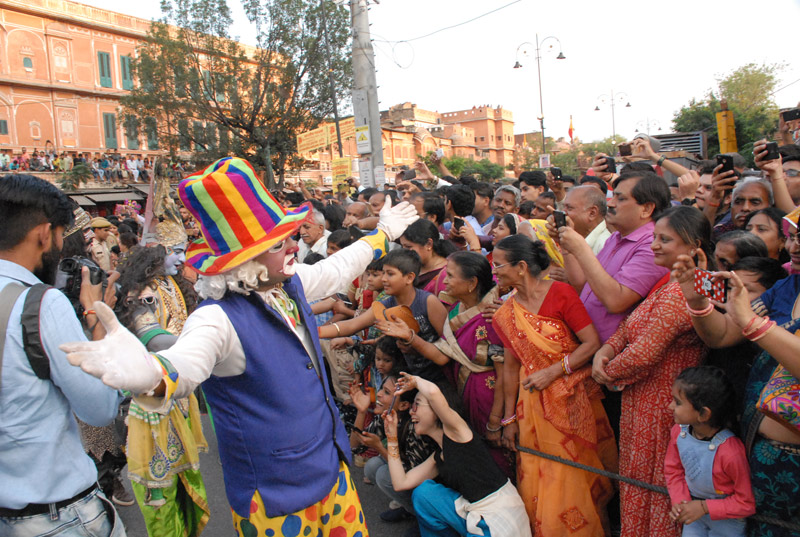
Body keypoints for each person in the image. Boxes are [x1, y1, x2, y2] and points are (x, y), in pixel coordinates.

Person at [62, 157, 419, 536]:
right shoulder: (216, 318)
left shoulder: (286, 284)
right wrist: (150, 375)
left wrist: (383, 236)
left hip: (332, 475)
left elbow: (337, 268)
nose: (293, 245)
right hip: (276, 499)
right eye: (280, 241)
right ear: (246, 259)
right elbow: (184, 364)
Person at [0, 174, 125, 536]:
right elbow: (99, 408)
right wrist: (97, 317)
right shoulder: (39, 304)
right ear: (44, 232)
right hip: (55, 516)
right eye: (61, 234)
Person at [592, 206, 714, 537]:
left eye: (665, 239)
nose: (655, 245)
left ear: (693, 247)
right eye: (655, 237)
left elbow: (644, 353)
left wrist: (604, 372)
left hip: (665, 409)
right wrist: (605, 350)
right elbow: (630, 329)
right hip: (642, 405)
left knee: (657, 487)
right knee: (638, 483)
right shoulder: (667, 282)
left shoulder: (684, 292)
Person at [673, 227, 800, 537]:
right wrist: (698, 301)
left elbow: (749, 324)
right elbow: (724, 333)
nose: (795, 245)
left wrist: (753, 323)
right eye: (795, 235)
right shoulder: (786, 288)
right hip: (759, 449)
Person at [489, 234, 615, 536]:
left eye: (498, 266)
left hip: (572, 398)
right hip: (530, 408)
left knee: (572, 475)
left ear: (521, 267)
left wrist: (554, 372)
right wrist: (508, 420)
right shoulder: (505, 313)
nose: (494, 273)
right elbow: (510, 368)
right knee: (539, 476)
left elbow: (591, 343)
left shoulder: (561, 293)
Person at [377, 251, 513, 478]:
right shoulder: (454, 308)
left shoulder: (493, 315)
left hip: (486, 394)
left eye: (450, 276)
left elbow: (505, 372)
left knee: (491, 453)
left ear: (471, 283)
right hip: (462, 386)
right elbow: (442, 353)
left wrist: (496, 419)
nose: (444, 281)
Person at [384, 373, 532, 537]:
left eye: (417, 404)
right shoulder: (438, 455)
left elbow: (433, 393)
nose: (412, 411)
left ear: (437, 410)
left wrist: (415, 381)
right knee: (424, 494)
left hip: (500, 519)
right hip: (477, 514)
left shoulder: (458, 432)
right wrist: (391, 439)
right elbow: (400, 482)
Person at [319, 249, 449, 383]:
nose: (384, 279)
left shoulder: (427, 302)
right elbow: (352, 325)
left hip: (437, 379)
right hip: (408, 377)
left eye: (390, 274)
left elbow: (446, 349)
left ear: (409, 278)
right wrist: (316, 331)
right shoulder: (385, 304)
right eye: (384, 273)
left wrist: (413, 342)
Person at [664, 367, 756, 537]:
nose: (670, 406)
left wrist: (704, 508)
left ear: (704, 414)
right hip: (694, 514)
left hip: (727, 523)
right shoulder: (679, 433)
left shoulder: (730, 452)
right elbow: (673, 470)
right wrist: (681, 502)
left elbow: (746, 503)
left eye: (677, 402)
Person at [400, 219, 456, 301]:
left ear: (429, 244)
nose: (404, 252)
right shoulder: (410, 267)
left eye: (408, 247)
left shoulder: (445, 274)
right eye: (402, 247)